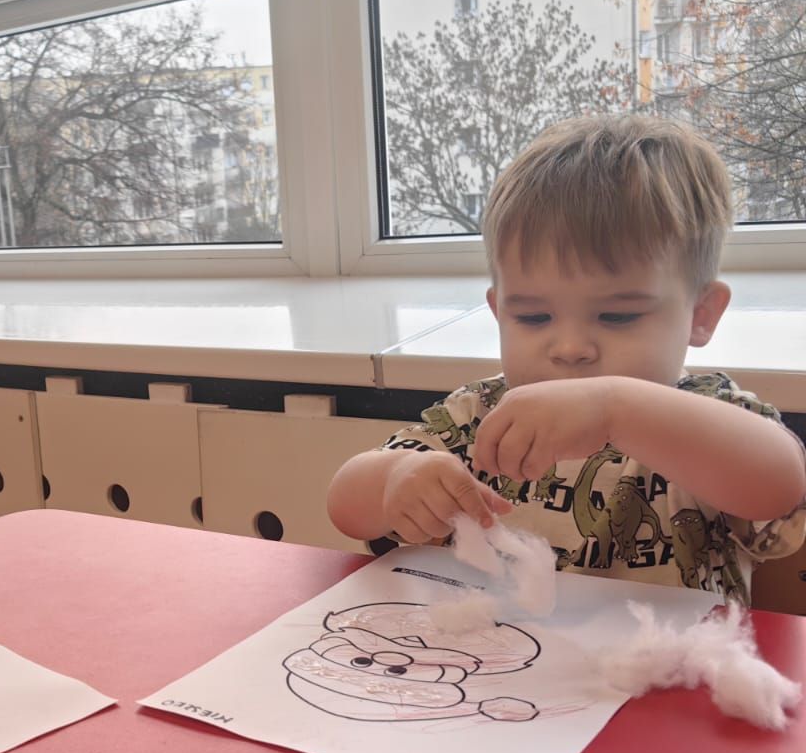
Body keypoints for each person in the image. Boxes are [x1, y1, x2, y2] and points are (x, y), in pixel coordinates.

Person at [328, 114, 806, 602]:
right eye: (534, 317)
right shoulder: (480, 415)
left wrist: (616, 408)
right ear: (499, 313)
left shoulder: (708, 417)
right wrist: (395, 480)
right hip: (498, 647)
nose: (570, 348)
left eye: (617, 316)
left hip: (676, 652)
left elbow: (780, 487)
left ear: (700, 315)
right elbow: (345, 507)